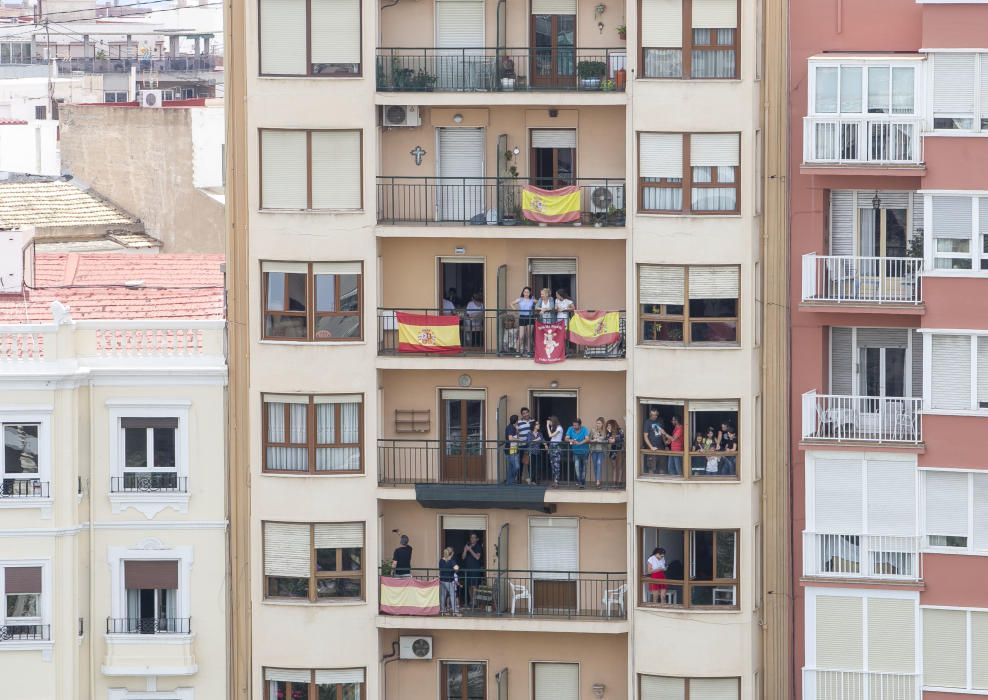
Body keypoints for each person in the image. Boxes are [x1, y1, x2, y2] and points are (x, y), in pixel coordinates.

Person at [564, 418, 590, 488]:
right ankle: (579, 481)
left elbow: (587, 439)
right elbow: (566, 438)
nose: (574, 427)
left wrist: (579, 443)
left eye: (576, 425)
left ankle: (582, 483)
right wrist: (571, 440)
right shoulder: (570, 428)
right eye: (573, 425)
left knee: (584, 468)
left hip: (585, 452)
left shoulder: (584, 429)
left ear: (580, 425)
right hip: (575, 452)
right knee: (577, 468)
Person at [461, 533, 485, 608]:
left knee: (474, 586)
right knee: (469, 586)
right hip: (468, 570)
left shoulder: (478, 546)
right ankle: (471, 601)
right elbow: (463, 557)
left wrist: (470, 550)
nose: (472, 539)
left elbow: (477, 557)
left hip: (475, 569)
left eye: (474, 537)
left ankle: (475, 602)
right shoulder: (468, 546)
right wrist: (465, 550)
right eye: (471, 537)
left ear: (477, 539)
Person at [511, 286, 536, 355]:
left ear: (530, 293)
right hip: (522, 317)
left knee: (529, 336)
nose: (526, 293)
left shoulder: (532, 299)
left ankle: (528, 351)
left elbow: (539, 303)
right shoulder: (520, 299)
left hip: (530, 317)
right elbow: (511, 303)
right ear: (523, 292)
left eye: (528, 292)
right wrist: (514, 309)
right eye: (525, 292)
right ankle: (517, 351)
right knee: (521, 336)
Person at [642, 407, 666, 475]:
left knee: (662, 468)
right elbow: (645, 436)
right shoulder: (647, 422)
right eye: (653, 415)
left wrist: (665, 444)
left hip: (661, 447)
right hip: (651, 449)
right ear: (650, 415)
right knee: (651, 468)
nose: (654, 416)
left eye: (656, 415)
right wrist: (651, 447)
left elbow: (662, 433)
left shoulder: (660, 421)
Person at [438, 547, 460, 615]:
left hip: (441, 580)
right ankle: (455, 611)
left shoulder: (441, 560)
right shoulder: (451, 561)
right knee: (453, 595)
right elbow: (456, 568)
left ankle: (443, 611)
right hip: (448, 580)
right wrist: (456, 568)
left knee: (442, 596)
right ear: (452, 553)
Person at [589, 417, 608, 488]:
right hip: (594, 450)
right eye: (597, 423)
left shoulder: (605, 432)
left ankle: (598, 482)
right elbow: (589, 440)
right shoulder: (593, 430)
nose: (597, 424)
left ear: (602, 424)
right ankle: (597, 479)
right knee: (595, 466)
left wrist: (601, 441)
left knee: (599, 464)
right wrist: (593, 441)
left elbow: (607, 441)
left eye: (599, 423)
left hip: (601, 451)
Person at [605, 419, 625, 485]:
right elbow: (607, 439)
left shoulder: (620, 430)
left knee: (620, 466)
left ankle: (619, 481)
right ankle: (614, 482)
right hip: (613, 450)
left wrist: (614, 439)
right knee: (614, 466)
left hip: (619, 450)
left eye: (609, 425)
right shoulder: (609, 432)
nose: (608, 426)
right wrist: (609, 432)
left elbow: (621, 437)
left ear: (613, 425)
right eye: (608, 425)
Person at [517, 407, 533, 483]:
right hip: (521, 445)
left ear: (529, 412)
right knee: (521, 462)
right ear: (522, 415)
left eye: (526, 412)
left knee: (530, 462)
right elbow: (516, 433)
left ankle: (531, 478)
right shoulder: (519, 422)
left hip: (530, 445)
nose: (525, 414)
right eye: (523, 413)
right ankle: (519, 479)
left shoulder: (533, 421)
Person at [546, 416, 564, 487]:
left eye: (550, 421)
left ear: (553, 421)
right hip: (552, 446)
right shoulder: (553, 428)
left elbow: (550, 435)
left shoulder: (559, 428)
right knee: (552, 464)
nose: (549, 423)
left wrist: (547, 426)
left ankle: (556, 481)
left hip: (556, 447)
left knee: (556, 464)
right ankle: (555, 480)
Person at [504, 414, 521, 484]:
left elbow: (516, 436)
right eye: (518, 420)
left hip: (513, 449)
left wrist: (517, 431)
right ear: (516, 421)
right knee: (516, 466)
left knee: (511, 467)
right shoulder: (510, 427)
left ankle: (509, 482)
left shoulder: (513, 427)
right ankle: (511, 480)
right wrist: (518, 440)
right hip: (511, 450)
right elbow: (510, 438)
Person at [529, 419, 546, 484]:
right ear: (534, 426)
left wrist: (545, 445)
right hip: (532, 452)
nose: (539, 425)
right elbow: (529, 442)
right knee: (533, 466)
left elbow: (543, 440)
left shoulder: (540, 433)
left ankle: (537, 480)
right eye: (537, 424)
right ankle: (533, 480)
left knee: (538, 466)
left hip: (538, 452)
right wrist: (537, 440)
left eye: (538, 424)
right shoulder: (529, 433)